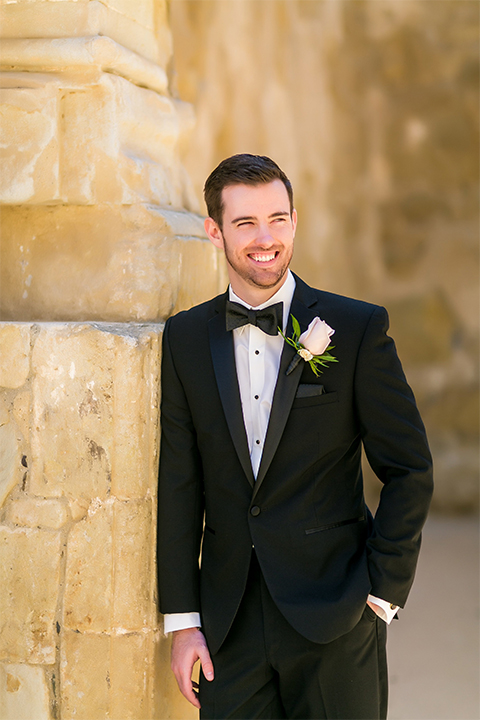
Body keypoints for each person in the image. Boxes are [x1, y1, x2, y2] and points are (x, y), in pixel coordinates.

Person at [157, 153, 433, 720]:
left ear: (295, 220)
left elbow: (409, 467)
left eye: (278, 219)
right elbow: (179, 483)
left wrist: (381, 594)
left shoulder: (355, 329)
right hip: (228, 628)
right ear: (214, 231)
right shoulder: (184, 338)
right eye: (246, 223)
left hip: (336, 615)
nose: (266, 239)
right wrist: (183, 623)